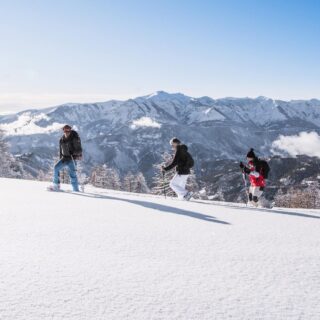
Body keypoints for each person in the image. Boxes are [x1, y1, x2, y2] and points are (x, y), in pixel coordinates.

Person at [48, 125, 82, 192]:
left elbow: (79, 150)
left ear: (70, 130)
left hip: (72, 159)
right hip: (64, 158)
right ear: (63, 130)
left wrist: (73, 152)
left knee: (72, 175)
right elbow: (61, 150)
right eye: (65, 130)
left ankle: (76, 190)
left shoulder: (74, 138)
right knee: (56, 168)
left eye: (68, 130)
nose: (67, 131)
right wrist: (60, 158)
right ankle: (56, 185)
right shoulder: (62, 139)